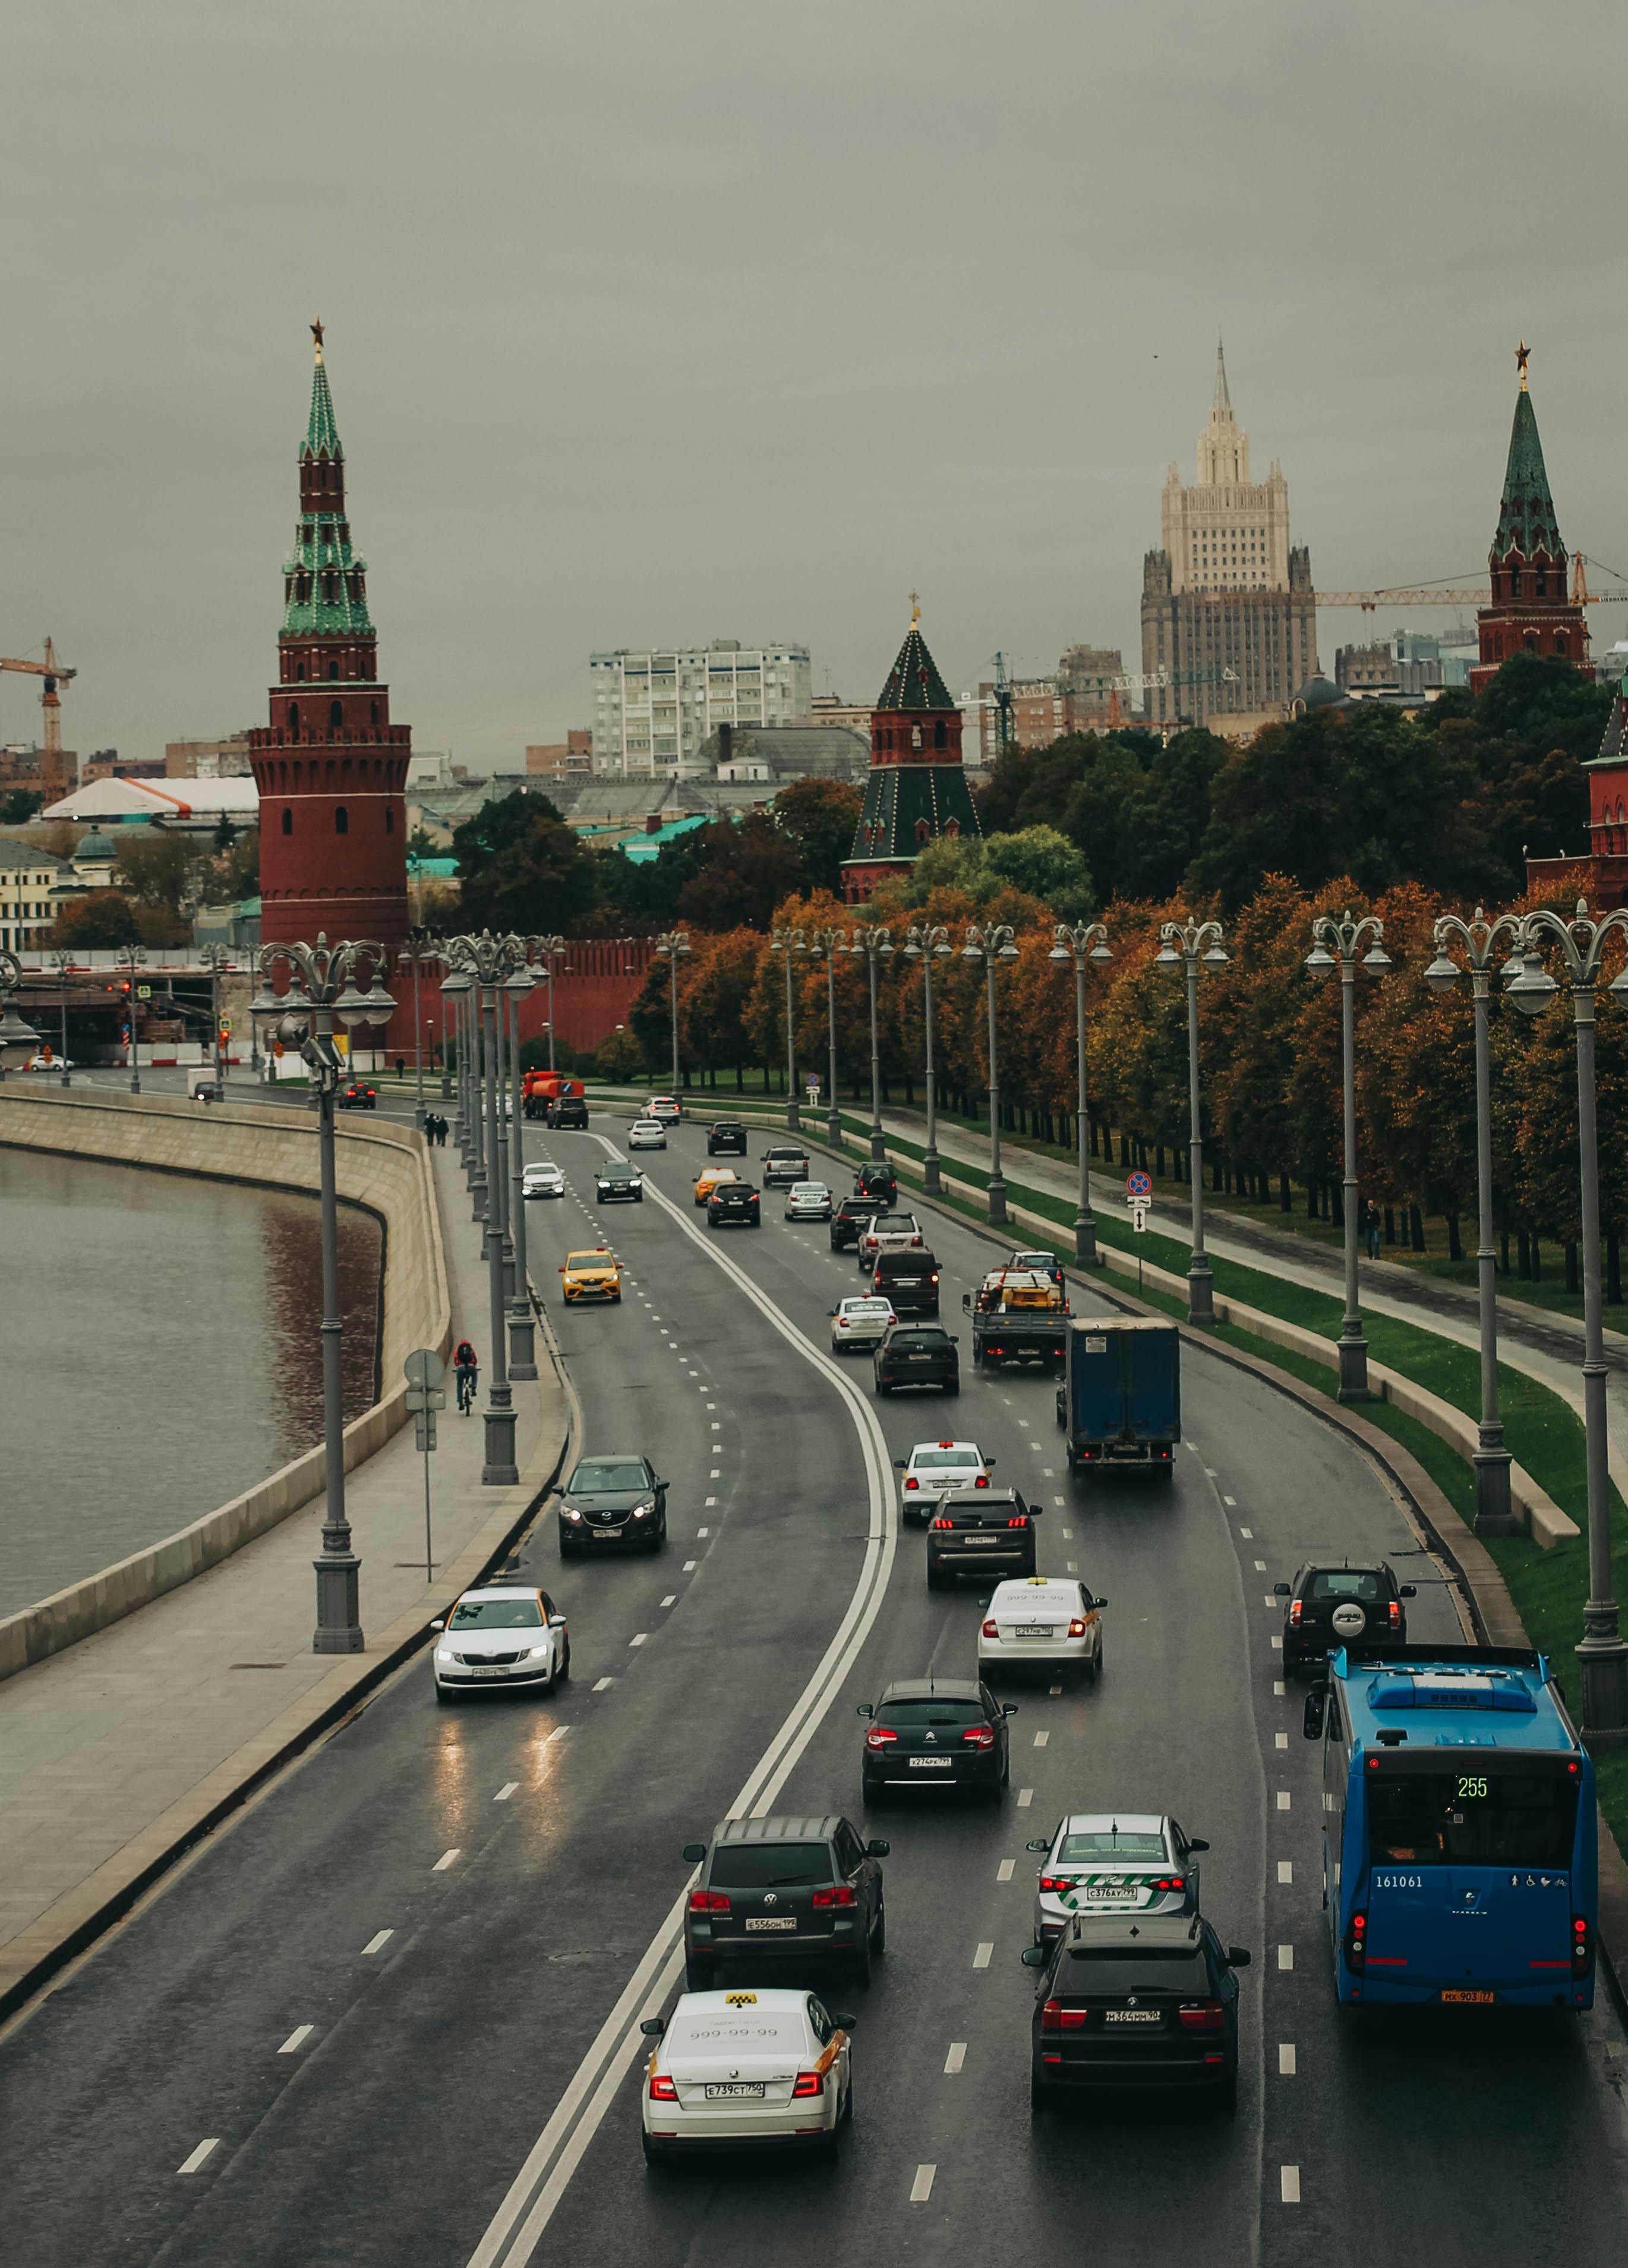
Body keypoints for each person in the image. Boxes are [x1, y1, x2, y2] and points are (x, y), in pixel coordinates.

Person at [453, 1339, 478, 1413]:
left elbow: (456, 1361)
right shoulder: (471, 1350)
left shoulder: (457, 1350)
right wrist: (473, 1365)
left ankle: (460, 1402)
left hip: (460, 1368)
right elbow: (475, 1360)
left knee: (460, 1384)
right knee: (475, 1374)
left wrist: (458, 1367)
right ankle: (474, 1387)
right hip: (471, 1367)